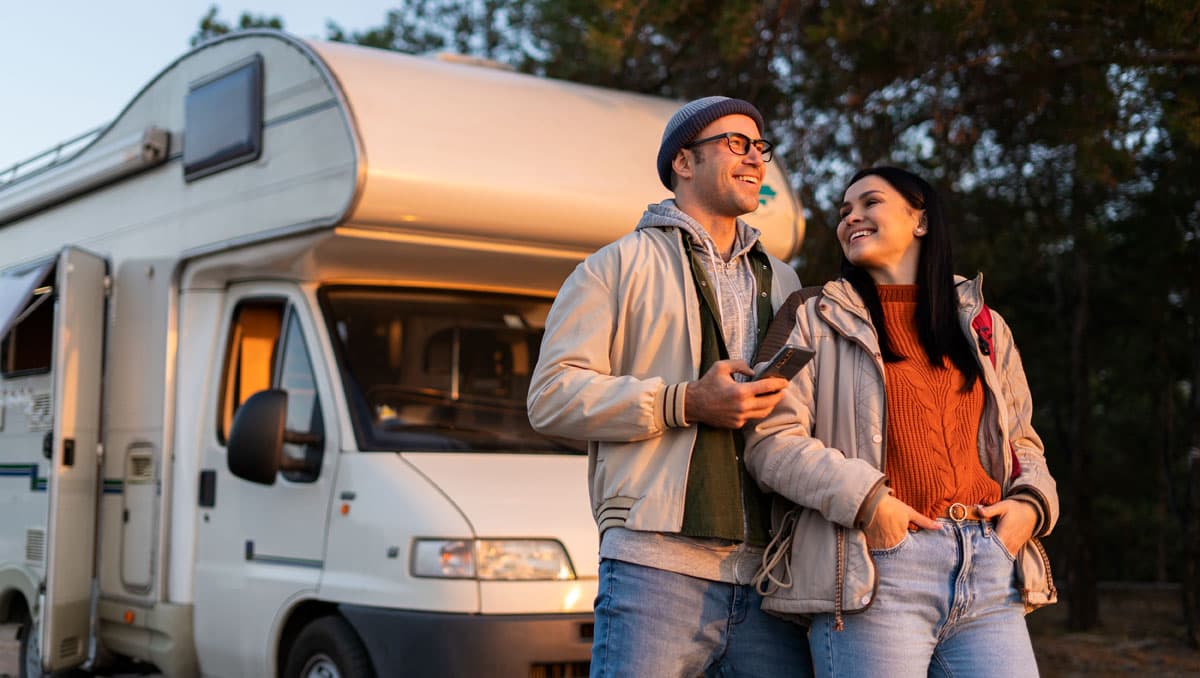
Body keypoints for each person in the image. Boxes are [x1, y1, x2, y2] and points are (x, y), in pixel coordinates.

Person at [527, 96, 813, 677]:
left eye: (760, 146)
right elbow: (551, 396)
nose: (755, 157)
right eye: (736, 143)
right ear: (683, 162)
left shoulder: (786, 279)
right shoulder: (613, 267)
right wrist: (683, 402)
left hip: (772, 574)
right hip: (655, 567)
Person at [744, 166, 1058, 677]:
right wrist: (870, 504)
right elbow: (769, 441)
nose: (852, 218)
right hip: (876, 568)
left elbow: (1022, 440)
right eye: (845, 211)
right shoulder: (812, 314)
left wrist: (1030, 504)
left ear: (921, 220)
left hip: (989, 563)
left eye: (870, 203)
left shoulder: (983, 324)